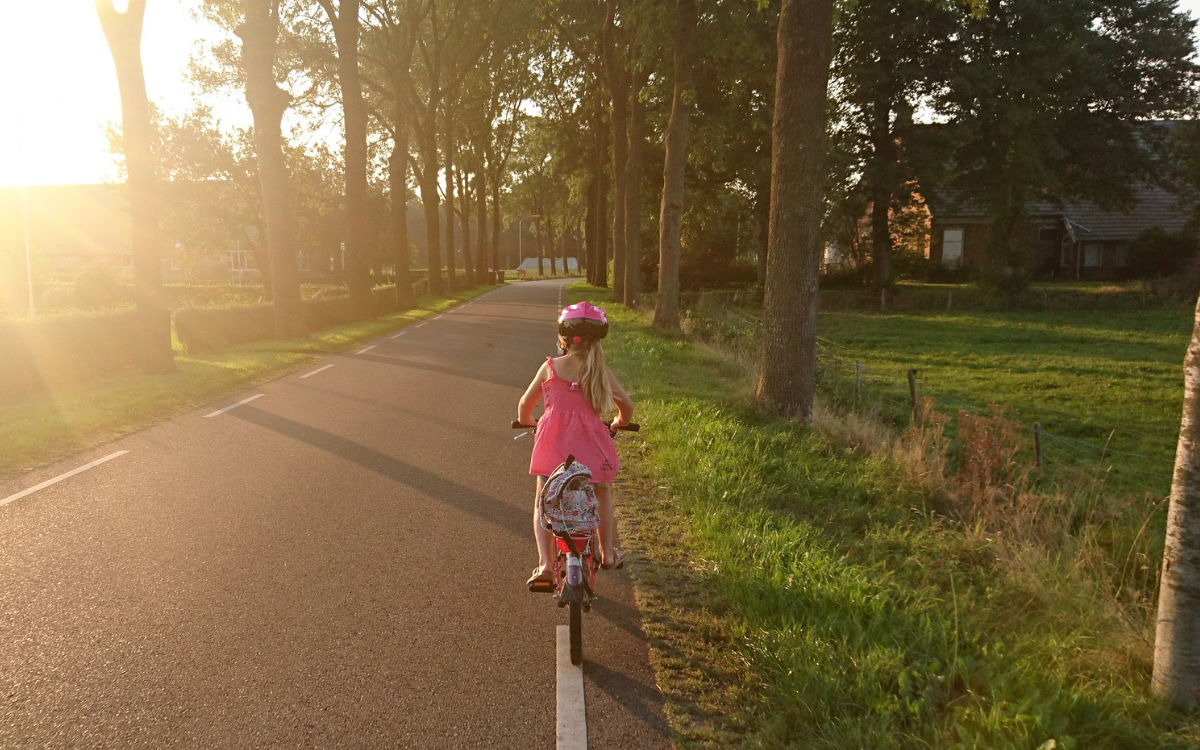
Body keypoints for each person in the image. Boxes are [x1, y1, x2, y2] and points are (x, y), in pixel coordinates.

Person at [517, 301, 634, 590]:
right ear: (597, 342)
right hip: (592, 448)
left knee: (542, 500)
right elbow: (626, 407)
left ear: (563, 340)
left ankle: (545, 565)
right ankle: (607, 554)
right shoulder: (600, 372)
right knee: (602, 490)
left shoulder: (550, 368)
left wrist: (530, 422)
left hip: (552, 448)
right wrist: (619, 421)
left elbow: (524, 406)